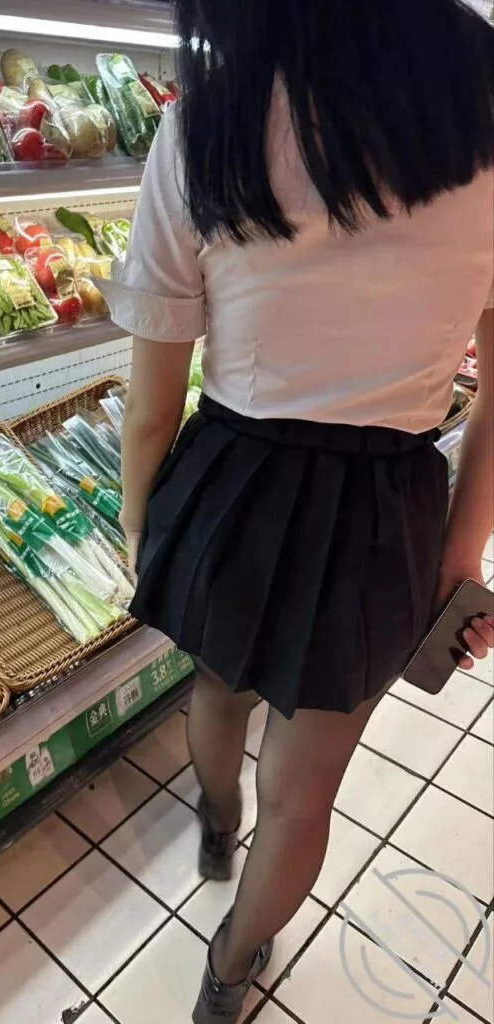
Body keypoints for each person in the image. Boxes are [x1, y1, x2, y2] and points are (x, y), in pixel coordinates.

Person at [97, 2, 494, 1021]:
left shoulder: (210, 118)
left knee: (217, 685)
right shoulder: (480, 117)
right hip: (386, 509)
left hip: (234, 482)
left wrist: (143, 529)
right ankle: (229, 976)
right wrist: (460, 554)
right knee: (307, 790)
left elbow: (151, 409)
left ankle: (215, 820)